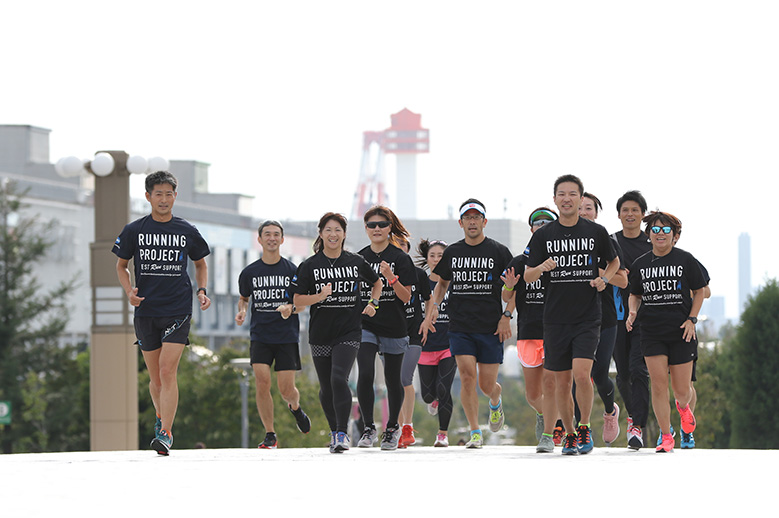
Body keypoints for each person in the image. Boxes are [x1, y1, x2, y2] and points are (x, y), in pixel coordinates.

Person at [113, 170, 211, 456]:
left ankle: (166, 432)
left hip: (178, 308)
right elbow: (121, 266)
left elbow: (201, 264)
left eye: (169, 194)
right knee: (155, 378)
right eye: (159, 194)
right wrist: (129, 291)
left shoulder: (186, 230)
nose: (164, 199)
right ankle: (161, 418)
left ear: (175, 197)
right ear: (148, 197)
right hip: (146, 311)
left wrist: (202, 290)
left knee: (168, 371)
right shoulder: (134, 230)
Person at [525, 175, 619, 455]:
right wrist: (542, 266)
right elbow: (528, 277)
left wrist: (605, 279)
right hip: (554, 319)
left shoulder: (596, 232)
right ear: (554, 199)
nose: (567, 198)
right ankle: (568, 434)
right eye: (561, 194)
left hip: (588, 317)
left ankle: (585, 426)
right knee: (561, 381)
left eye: (572, 194)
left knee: (582, 374)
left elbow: (613, 262)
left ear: (580, 199)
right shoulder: (543, 235)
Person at [421, 199, 513, 449]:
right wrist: (434, 308)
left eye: (477, 217)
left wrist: (507, 316)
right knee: (467, 377)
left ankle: (496, 399)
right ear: (461, 223)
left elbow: (514, 287)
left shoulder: (499, 251)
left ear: (484, 221)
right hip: (460, 327)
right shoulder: (453, 252)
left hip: (490, 327)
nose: (472, 222)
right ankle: (475, 432)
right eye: (468, 218)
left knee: (486, 385)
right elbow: (441, 283)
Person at [292, 212, 383, 453]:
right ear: (321, 234)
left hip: (349, 332)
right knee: (326, 387)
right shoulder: (309, 265)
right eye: (328, 230)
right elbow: (298, 300)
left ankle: (343, 434)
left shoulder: (355, 261)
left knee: (338, 378)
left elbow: (378, 283)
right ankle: (334, 432)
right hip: (320, 334)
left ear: (344, 234)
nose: (333, 235)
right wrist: (319, 297)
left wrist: (373, 304)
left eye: (338, 230)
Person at [626, 211, 706, 453]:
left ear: (675, 236)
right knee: (659, 386)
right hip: (651, 332)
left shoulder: (686, 260)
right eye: (655, 229)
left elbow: (700, 291)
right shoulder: (641, 264)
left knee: (681, 391)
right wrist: (632, 312)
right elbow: (635, 294)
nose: (660, 234)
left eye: (665, 230)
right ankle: (665, 435)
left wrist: (692, 319)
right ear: (649, 234)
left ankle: (684, 416)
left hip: (682, 332)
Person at [235, 220, 311, 449]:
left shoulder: (293, 271)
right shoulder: (249, 272)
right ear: (259, 239)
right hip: (260, 335)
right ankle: (270, 434)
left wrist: (291, 308)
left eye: (276, 234)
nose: (271, 238)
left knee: (286, 390)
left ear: (282, 239)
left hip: (286, 336)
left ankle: (295, 407)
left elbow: (303, 304)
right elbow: (244, 298)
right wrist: (241, 311)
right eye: (267, 234)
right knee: (262, 381)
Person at [356, 206, 416, 451]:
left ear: (390, 227)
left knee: (393, 379)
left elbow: (406, 297)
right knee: (366, 373)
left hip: (394, 326)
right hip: (365, 325)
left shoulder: (401, 258)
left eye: (382, 224)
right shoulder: (359, 258)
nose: (377, 229)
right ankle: (368, 427)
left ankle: (392, 428)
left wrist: (391, 277)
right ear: (366, 228)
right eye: (372, 225)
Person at [501, 207, 560, 453]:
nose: (542, 226)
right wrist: (510, 287)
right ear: (531, 228)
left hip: (555, 330)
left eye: (548, 222)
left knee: (550, 383)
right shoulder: (518, 261)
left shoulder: (561, 259)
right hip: (528, 331)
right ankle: (544, 414)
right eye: (538, 223)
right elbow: (507, 296)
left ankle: (549, 433)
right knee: (533, 394)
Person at [577, 193, 627, 445]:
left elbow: (623, 280)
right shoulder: (563, 240)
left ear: (596, 213)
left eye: (589, 208)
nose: (584, 212)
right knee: (577, 374)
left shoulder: (605, 240)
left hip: (605, 318)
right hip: (572, 318)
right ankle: (578, 431)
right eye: (580, 207)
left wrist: (599, 273)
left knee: (598, 373)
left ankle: (610, 411)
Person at [612, 190, 652, 449]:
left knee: (640, 370)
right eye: (625, 210)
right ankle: (631, 415)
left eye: (634, 210)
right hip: (615, 317)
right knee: (623, 374)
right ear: (618, 214)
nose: (630, 214)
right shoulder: (609, 241)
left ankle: (637, 425)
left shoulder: (652, 242)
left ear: (642, 214)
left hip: (646, 318)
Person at [416, 239, 456, 447]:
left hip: (449, 345)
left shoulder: (454, 282)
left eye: (441, 255)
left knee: (443, 389)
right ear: (427, 259)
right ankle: (434, 401)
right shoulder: (420, 281)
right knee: (428, 395)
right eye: (432, 255)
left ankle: (442, 434)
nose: (436, 259)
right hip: (425, 346)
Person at [397, 237, 431, 448]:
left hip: (414, 334)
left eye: (403, 246)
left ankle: (407, 426)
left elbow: (429, 299)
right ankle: (399, 431)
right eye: (395, 246)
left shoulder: (419, 274)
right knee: (394, 382)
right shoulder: (383, 274)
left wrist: (427, 321)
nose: (399, 249)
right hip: (390, 334)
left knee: (404, 378)